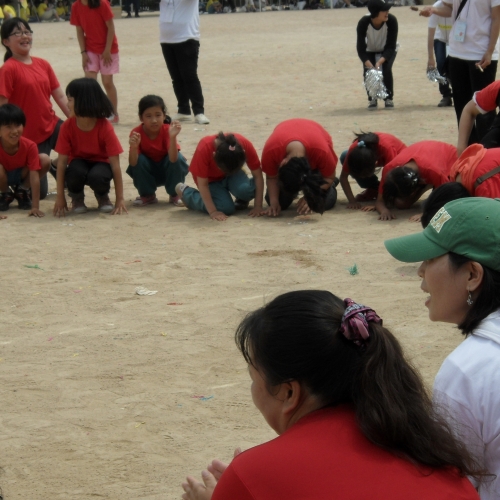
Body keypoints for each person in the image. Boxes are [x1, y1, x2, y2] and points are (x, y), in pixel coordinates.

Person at [181, 290, 484, 500]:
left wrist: (238, 487)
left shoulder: (255, 472)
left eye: (253, 378)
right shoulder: (423, 443)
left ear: (289, 392)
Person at [385, 196, 500, 500]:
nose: (421, 271)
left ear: (473, 275)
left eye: (431, 258)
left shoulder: (469, 370)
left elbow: (453, 485)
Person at [0, 17, 70, 199]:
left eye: (27, 32)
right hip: (28, 136)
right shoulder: (8, 69)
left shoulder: (43, 64)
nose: (24, 36)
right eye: (17, 33)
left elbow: (60, 96)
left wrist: (75, 121)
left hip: (51, 124)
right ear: (6, 42)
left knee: (79, 144)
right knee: (41, 194)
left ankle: (55, 165)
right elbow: (2, 105)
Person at [420, 0, 500, 144]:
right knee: (461, 106)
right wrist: (434, 10)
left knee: (484, 108)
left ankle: (485, 151)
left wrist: (490, 51)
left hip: (481, 52)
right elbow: (451, 9)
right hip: (456, 51)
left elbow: (497, 17)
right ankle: (467, 151)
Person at [52, 78, 127, 217]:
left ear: (83, 101)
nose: (67, 104)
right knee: (74, 172)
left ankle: (102, 195)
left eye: (70, 100)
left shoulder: (104, 126)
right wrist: (60, 197)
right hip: (78, 161)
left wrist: (120, 199)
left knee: (98, 176)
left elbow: (115, 165)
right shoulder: (67, 126)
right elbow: (62, 163)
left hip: (101, 163)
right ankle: (77, 197)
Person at [175, 132, 263, 221]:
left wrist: (258, 206)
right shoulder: (204, 148)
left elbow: (258, 175)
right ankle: (186, 193)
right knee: (225, 208)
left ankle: (242, 198)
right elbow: (203, 184)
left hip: (234, 174)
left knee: (249, 191)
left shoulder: (243, 144)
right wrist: (213, 211)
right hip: (210, 181)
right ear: (214, 156)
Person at [261, 118, 338, 217]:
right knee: (280, 202)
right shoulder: (271, 151)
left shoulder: (321, 152)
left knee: (322, 203)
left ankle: (331, 186)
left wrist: (311, 196)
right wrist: (274, 202)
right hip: (290, 154)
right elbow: (271, 177)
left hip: (317, 164)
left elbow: (329, 177)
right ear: (282, 162)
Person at [127, 94, 188, 207]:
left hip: (167, 170)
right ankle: (147, 195)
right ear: (141, 118)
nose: (154, 120)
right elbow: (133, 163)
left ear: (164, 116)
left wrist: (172, 137)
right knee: (139, 160)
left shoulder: (167, 130)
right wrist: (134, 148)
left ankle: (175, 194)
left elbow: (174, 159)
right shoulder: (136, 133)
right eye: (148, 116)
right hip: (148, 172)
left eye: (158, 115)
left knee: (179, 158)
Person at [371, 140, 456, 221]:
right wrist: (384, 211)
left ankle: (431, 185)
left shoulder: (436, 172)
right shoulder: (389, 169)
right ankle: (428, 185)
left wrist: (426, 213)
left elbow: (448, 201)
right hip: (427, 156)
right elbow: (380, 201)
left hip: (451, 158)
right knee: (401, 204)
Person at [159, 0, 210, 125]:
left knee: (189, 76)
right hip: (166, 39)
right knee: (176, 77)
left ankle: (199, 111)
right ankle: (183, 109)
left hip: (186, 37)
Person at [70, 0, 120, 124]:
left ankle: (113, 113)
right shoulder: (76, 6)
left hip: (108, 48)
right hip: (90, 48)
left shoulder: (102, 3)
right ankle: (93, 112)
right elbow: (79, 30)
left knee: (107, 82)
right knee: (89, 83)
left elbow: (111, 27)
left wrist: (107, 50)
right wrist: (83, 53)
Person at [0, 103, 50, 216]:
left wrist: (35, 207)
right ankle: (5, 193)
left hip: (22, 175)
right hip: (2, 177)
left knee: (45, 159)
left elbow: (34, 175)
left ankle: (22, 190)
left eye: (18, 125)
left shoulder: (30, 146)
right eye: (8, 126)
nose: (14, 131)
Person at [339, 131, 406, 207]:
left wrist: (379, 203)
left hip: (401, 160)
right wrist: (352, 201)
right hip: (374, 157)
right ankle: (374, 188)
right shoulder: (354, 149)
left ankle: (381, 193)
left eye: (365, 176)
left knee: (399, 200)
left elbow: (388, 178)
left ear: (375, 163)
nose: (363, 178)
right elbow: (343, 177)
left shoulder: (387, 149)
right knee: (345, 156)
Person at [357, 0, 398, 110]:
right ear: (375, 12)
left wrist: (379, 62)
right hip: (369, 50)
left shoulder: (392, 21)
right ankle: (372, 98)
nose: (387, 12)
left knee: (386, 69)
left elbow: (391, 46)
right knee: (368, 72)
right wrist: (370, 65)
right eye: (384, 10)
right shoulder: (363, 23)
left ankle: (388, 98)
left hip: (387, 49)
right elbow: (360, 49)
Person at [457, 79, 500, 156]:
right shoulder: (497, 88)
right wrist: (461, 148)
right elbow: (469, 110)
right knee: (481, 156)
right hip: (494, 147)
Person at [427, 0, 453, 107]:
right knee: (441, 65)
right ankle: (446, 95)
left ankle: (459, 92)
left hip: (455, 39)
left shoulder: (458, 6)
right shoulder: (436, 7)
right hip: (440, 38)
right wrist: (430, 57)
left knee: (455, 66)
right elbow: (431, 34)